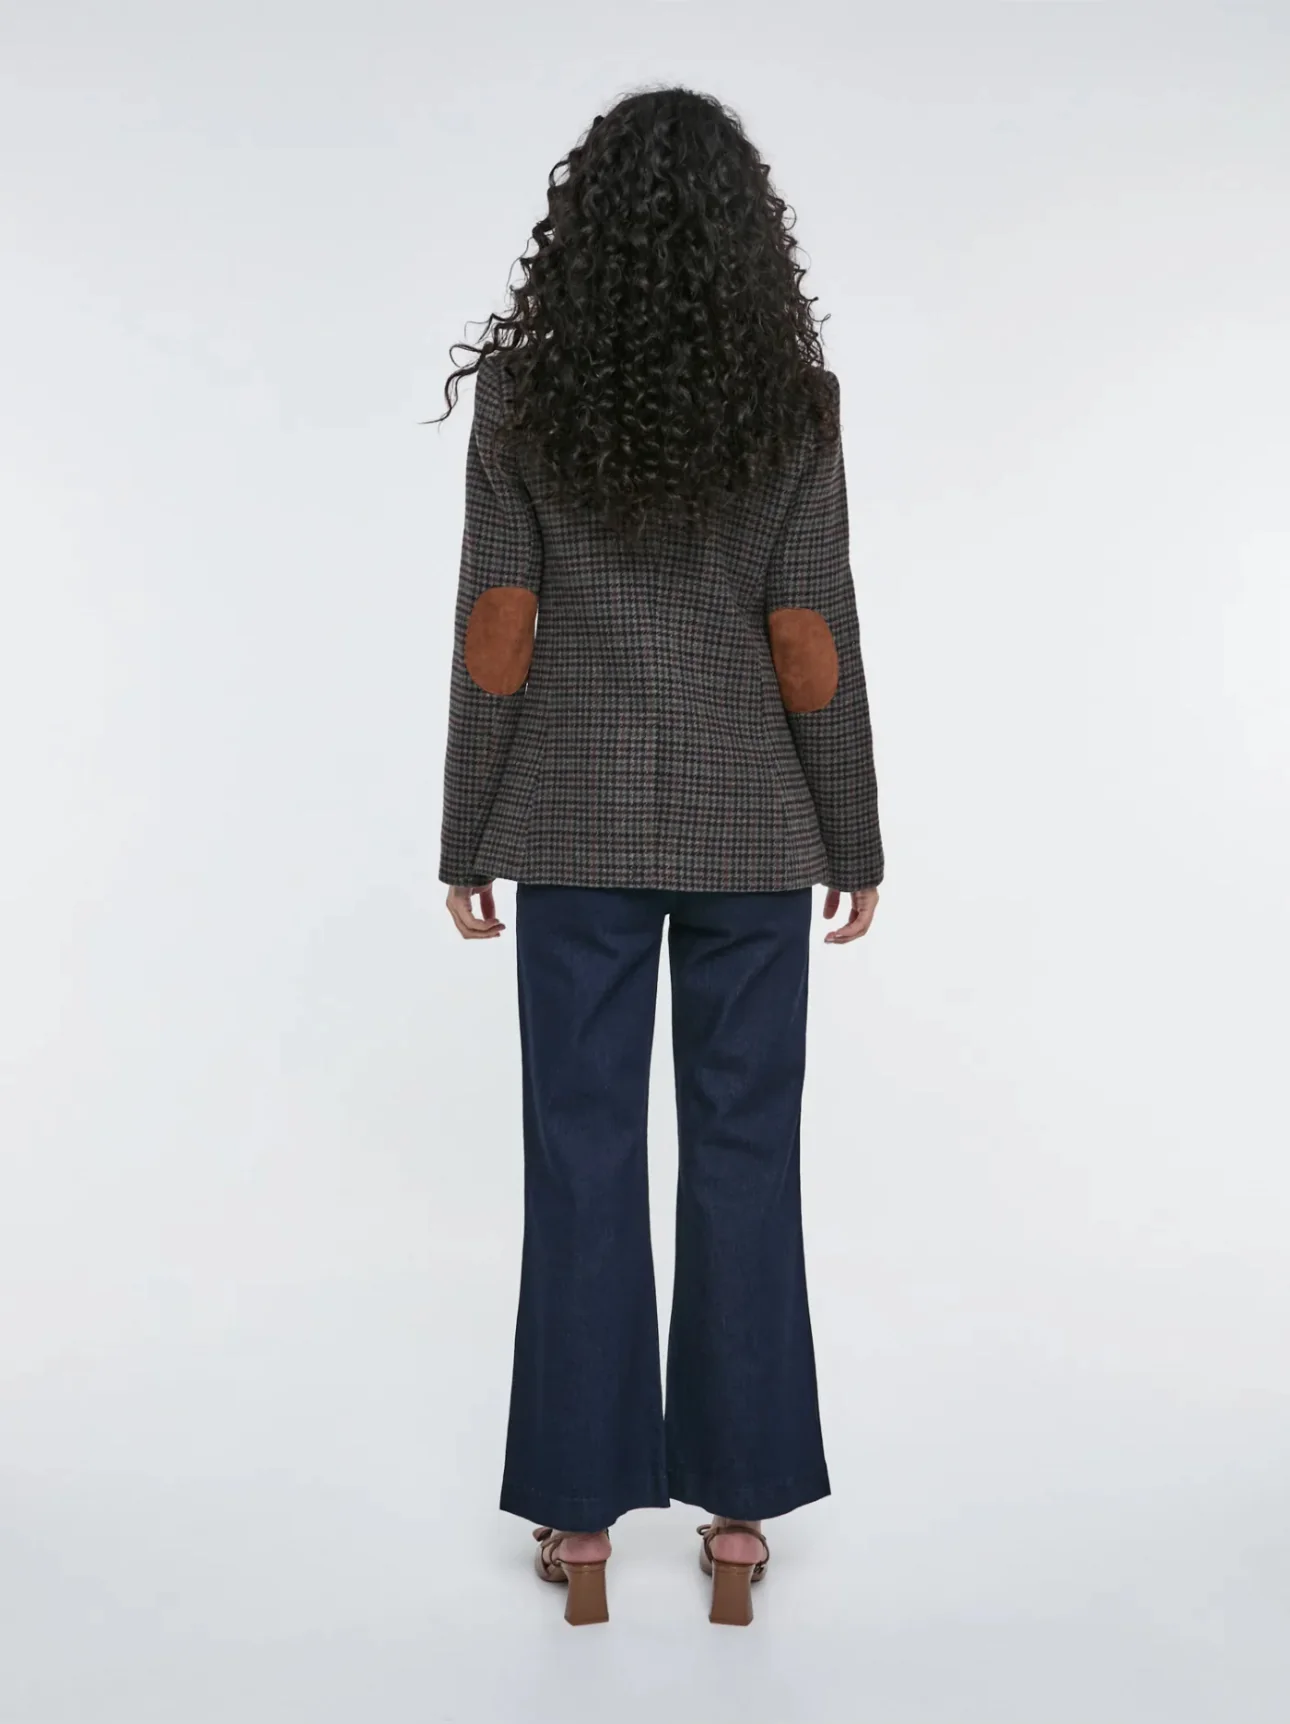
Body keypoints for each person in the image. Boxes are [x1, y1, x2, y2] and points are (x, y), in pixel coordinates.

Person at [431, 85, 883, 1627]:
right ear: (750, 236)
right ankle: (739, 1519)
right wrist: (851, 831)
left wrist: (466, 829)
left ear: (583, 227)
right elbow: (809, 632)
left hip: (569, 826)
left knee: (580, 1156)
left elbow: (499, 629)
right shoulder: (793, 402)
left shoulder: (525, 397)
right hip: (755, 830)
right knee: (745, 1155)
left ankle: (577, 1522)